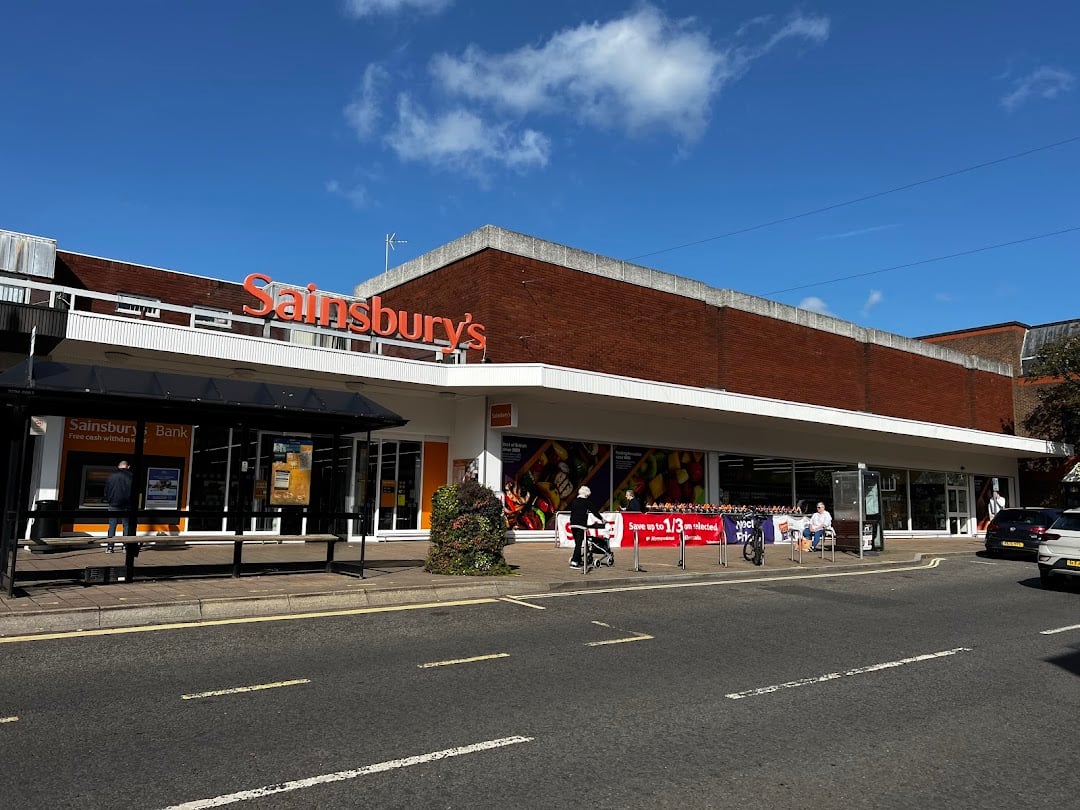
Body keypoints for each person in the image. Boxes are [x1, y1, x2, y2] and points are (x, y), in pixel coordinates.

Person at [568, 485, 605, 568]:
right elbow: (595, 512)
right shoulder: (586, 502)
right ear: (586, 494)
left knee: (577, 543)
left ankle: (578, 559)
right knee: (579, 544)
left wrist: (571, 522)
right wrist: (602, 519)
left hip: (573, 524)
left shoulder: (574, 501)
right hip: (581, 525)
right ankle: (574, 561)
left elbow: (572, 513)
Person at [104, 460, 133, 553]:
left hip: (113, 504)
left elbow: (106, 490)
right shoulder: (131, 476)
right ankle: (125, 547)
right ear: (128, 467)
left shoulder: (111, 476)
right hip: (127, 505)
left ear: (118, 466)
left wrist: (109, 500)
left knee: (112, 525)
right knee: (126, 526)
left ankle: (110, 547)